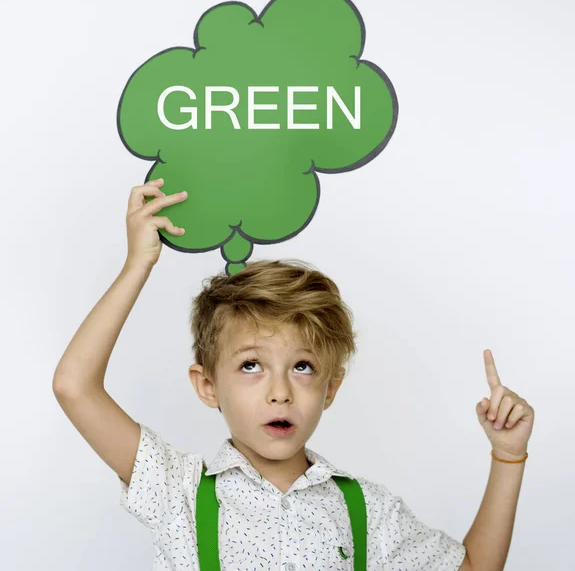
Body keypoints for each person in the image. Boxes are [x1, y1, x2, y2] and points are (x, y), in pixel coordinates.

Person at [53, 177, 535, 571]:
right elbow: (74, 386)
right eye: (251, 366)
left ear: (331, 389)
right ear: (206, 385)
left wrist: (507, 456)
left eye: (303, 368)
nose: (280, 392)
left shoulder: (367, 510)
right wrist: (139, 262)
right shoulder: (177, 492)